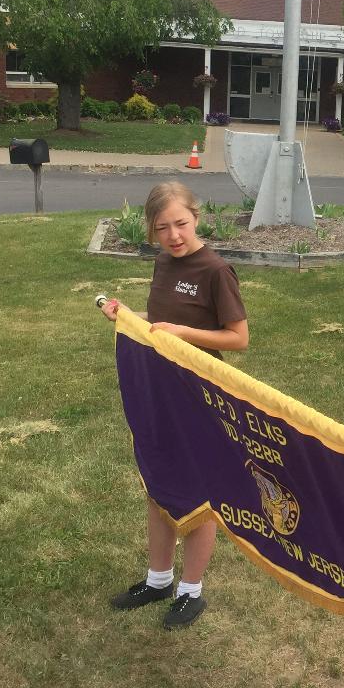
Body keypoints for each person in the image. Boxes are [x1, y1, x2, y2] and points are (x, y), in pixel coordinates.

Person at [100, 181, 249, 628]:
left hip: (199, 396)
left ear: (196, 217)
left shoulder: (215, 270)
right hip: (160, 391)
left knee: (198, 493)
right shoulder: (164, 263)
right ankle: (159, 578)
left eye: (181, 224)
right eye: (162, 227)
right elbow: (164, 320)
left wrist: (185, 335)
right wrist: (130, 316)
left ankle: (191, 590)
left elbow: (238, 338)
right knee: (159, 484)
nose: (173, 235)